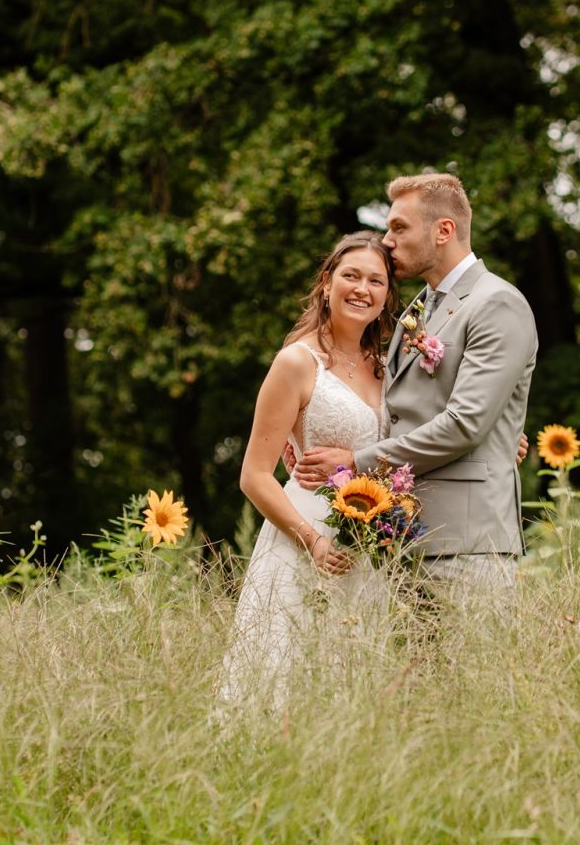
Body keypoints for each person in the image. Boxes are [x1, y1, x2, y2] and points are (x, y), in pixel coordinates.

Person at [294, 173, 537, 612]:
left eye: (399, 227)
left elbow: (465, 423)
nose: (387, 241)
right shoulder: (419, 307)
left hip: (469, 545)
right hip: (403, 538)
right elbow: (401, 408)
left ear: (443, 230)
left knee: (474, 680)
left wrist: (356, 461)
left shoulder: (497, 303)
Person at [218, 231, 398, 705]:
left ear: (386, 296)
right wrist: (313, 541)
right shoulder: (297, 363)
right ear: (326, 283)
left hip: (370, 541)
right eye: (351, 275)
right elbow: (254, 475)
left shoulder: (388, 367)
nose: (362, 288)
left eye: (376, 281)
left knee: (355, 678)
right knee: (288, 674)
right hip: (306, 535)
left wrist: (504, 441)